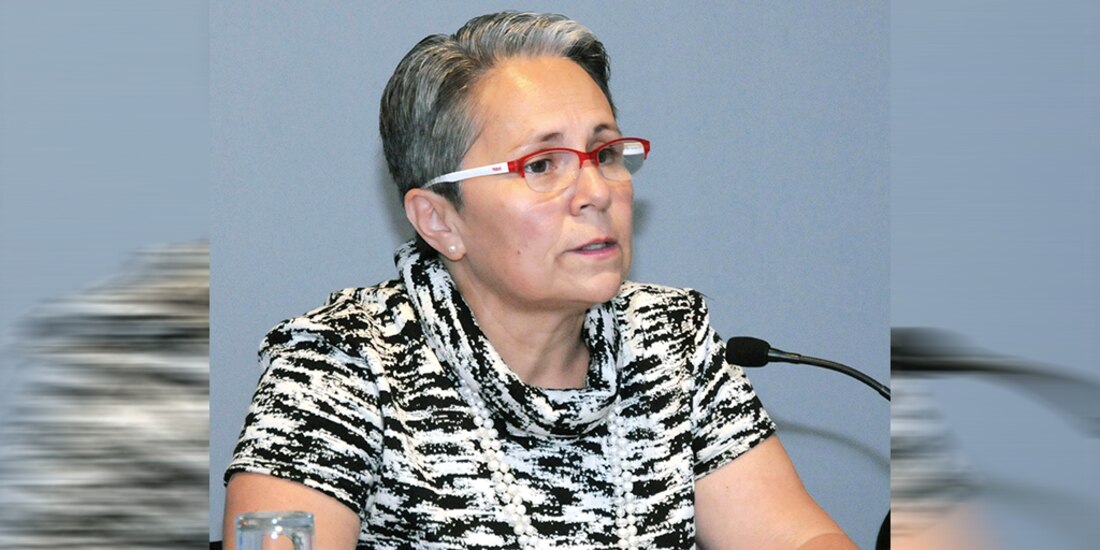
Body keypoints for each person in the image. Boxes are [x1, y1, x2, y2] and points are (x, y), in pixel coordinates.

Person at [223, 11, 856, 549]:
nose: (595, 192)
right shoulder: (342, 365)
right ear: (440, 220)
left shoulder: (670, 343)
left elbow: (798, 536)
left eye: (605, 154)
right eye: (543, 164)